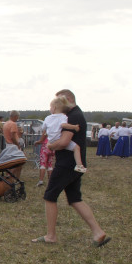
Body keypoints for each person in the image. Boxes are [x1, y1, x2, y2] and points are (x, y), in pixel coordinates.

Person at [32, 89, 110, 246]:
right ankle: (98, 232)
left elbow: (64, 142)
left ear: (67, 99)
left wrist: (51, 146)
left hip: (67, 165)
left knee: (50, 196)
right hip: (74, 165)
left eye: (59, 101)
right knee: (75, 198)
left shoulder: (73, 116)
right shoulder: (74, 115)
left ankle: (51, 236)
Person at [42, 96, 87, 173]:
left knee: (55, 150)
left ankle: (52, 148)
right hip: (59, 139)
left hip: (51, 140)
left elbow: (43, 128)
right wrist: (74, 127)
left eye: (50, 107)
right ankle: (79, 165)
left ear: (54, 107)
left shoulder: (47, 118)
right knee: (76, 148)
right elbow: (64, 125)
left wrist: (48, 132)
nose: (50, 109)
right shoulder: (63, 117)